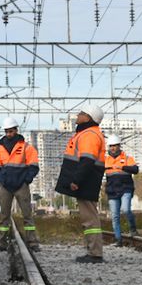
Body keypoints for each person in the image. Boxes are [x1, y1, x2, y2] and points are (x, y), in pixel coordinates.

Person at [55, 105, 107, 263]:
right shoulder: (86, 133)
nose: (78, 115)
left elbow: (87, 160)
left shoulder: (89, 135)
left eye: (81, 113)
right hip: (87, 180)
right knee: (88, 217)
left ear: (89, 117)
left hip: (86, 180)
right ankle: (93, 251)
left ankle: (95, 253)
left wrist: (77, 180)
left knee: (89, 218)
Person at [0, 117, 40, 249]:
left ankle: (32, 242)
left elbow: (34, 165)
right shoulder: (0, 148)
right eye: (6, 131)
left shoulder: (26, 147)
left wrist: (26, 180)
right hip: (5, 186)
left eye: (11, 131)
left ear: (16, 130)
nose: (9, 134)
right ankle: (1, 242)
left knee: (27, 215)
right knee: (4, 216)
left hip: (21, 186)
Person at [103, 135, 139, 246]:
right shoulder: (105, 160)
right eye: (111, 146)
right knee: (115, 216)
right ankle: (118, 240)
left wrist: (122, 167)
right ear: (109, 147)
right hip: (112, 191)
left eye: (115, 145)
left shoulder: (128, 159)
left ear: (119, 146)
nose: (113, 148)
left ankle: (133, 229)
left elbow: (135, 170)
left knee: (126, 210)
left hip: (125, 189)